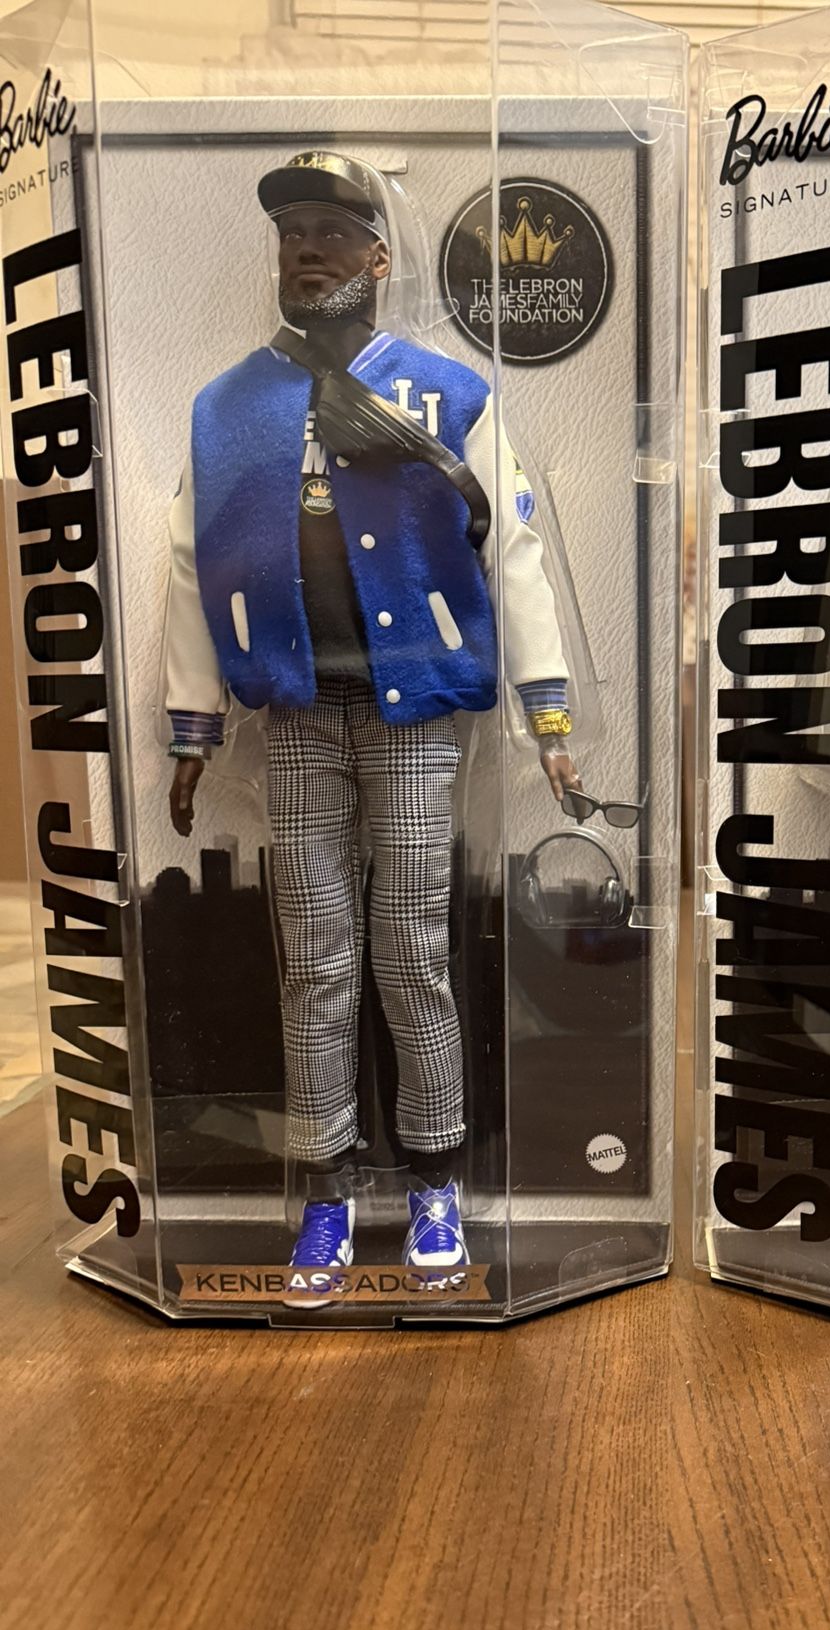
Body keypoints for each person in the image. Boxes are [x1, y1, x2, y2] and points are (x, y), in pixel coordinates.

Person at [161, 150, 580, 1274]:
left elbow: (515, 552)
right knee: (315, 957)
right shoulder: (226, 408)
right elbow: (188, 566)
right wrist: (193, 726)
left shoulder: (448, 394)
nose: (309, 251)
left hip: (415, 718)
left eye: (335, 232)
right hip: (295, 715)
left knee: (412, 949)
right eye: (293, 233)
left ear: (380, 259)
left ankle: (437, 1178)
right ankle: (327, 1182)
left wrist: (548, 716)